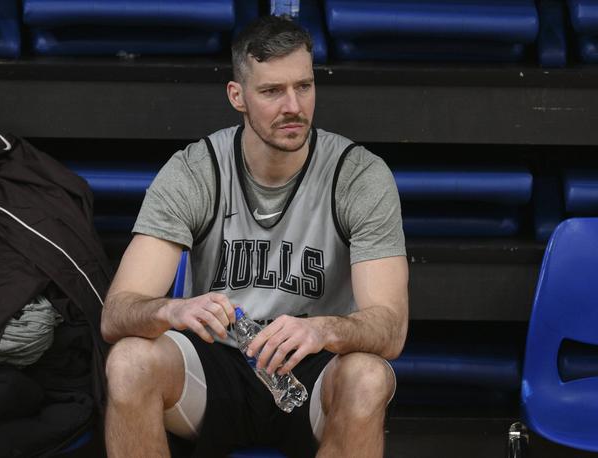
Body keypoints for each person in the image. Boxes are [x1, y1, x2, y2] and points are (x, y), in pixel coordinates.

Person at [101, 15, 408, 458]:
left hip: (316, 369)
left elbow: (390, 328)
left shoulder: (358, 175)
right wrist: (174, 308)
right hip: (219, 367)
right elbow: (117, 313)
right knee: (130, 361)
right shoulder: (196, 169)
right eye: (271, 91)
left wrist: (321, 329)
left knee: (369, 376)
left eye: (303, 86)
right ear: (237, 96)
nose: (293, 106)